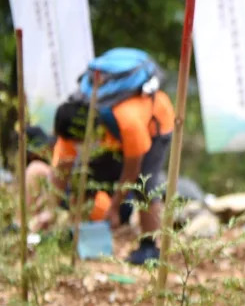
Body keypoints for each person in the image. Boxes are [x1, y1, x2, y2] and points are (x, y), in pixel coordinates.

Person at [50, 84, 174, 265]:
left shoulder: (127, 120)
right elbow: (62, 170)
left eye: (78, 141)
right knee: (84, 177)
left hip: (155, 124)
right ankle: (82, 234)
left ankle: (150, 246)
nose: (75, 145)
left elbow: (132, 170)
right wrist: (50, 210)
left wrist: (114, 207)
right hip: (115, 138)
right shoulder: (71, 128)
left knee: (144, 182)